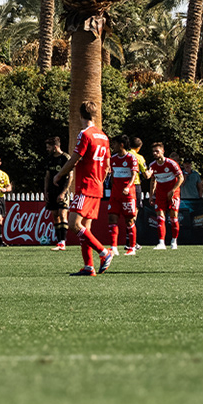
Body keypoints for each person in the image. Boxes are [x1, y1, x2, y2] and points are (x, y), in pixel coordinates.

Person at [67, 103, 113, 275]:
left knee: (74, 224)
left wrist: (59, 175)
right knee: (85, 228)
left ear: (80, 115)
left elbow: (75, 159)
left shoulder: (85, 134)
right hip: (97, 186)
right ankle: (89, 266)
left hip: (86, 186)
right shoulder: (104, 136)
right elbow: (107, 166)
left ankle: (104, 252)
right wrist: (99, 180)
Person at [105, 137, 143, 257]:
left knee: (129, 220)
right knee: (112, 218)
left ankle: (132, 247)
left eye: (114, 144)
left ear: (121, 144)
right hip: (115, 194)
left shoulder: (131, 158)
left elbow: (134, 174)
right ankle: (113, 247)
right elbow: (111, 175)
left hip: (128, 194)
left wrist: (128, 187)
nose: (113, 146)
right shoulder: (113, 159)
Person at [149, 140, 185, 249]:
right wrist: (151, 195)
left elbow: (181, 178)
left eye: (157, 151)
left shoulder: (171, 163)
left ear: (163, 151)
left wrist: (173, 190)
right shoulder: (152, 166)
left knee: (173, 217)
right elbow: (153, 181)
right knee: (160, 217)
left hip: (173, 193)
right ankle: (161, 243)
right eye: (153, 152)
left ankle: (174, 241)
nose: (155, 153)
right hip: (160, 193)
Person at [41, 132, 70, 253]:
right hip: (52, 191)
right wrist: (46, 191)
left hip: (62, 190)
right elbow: (47, 176)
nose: (47, 149)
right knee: (55, 215)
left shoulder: (65, 158)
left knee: (63, 214)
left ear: (55, 147)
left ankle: (63, 242)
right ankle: (59, 241)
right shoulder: (49, 159)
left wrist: (63, 192)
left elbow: (70, 177)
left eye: (49, 147)